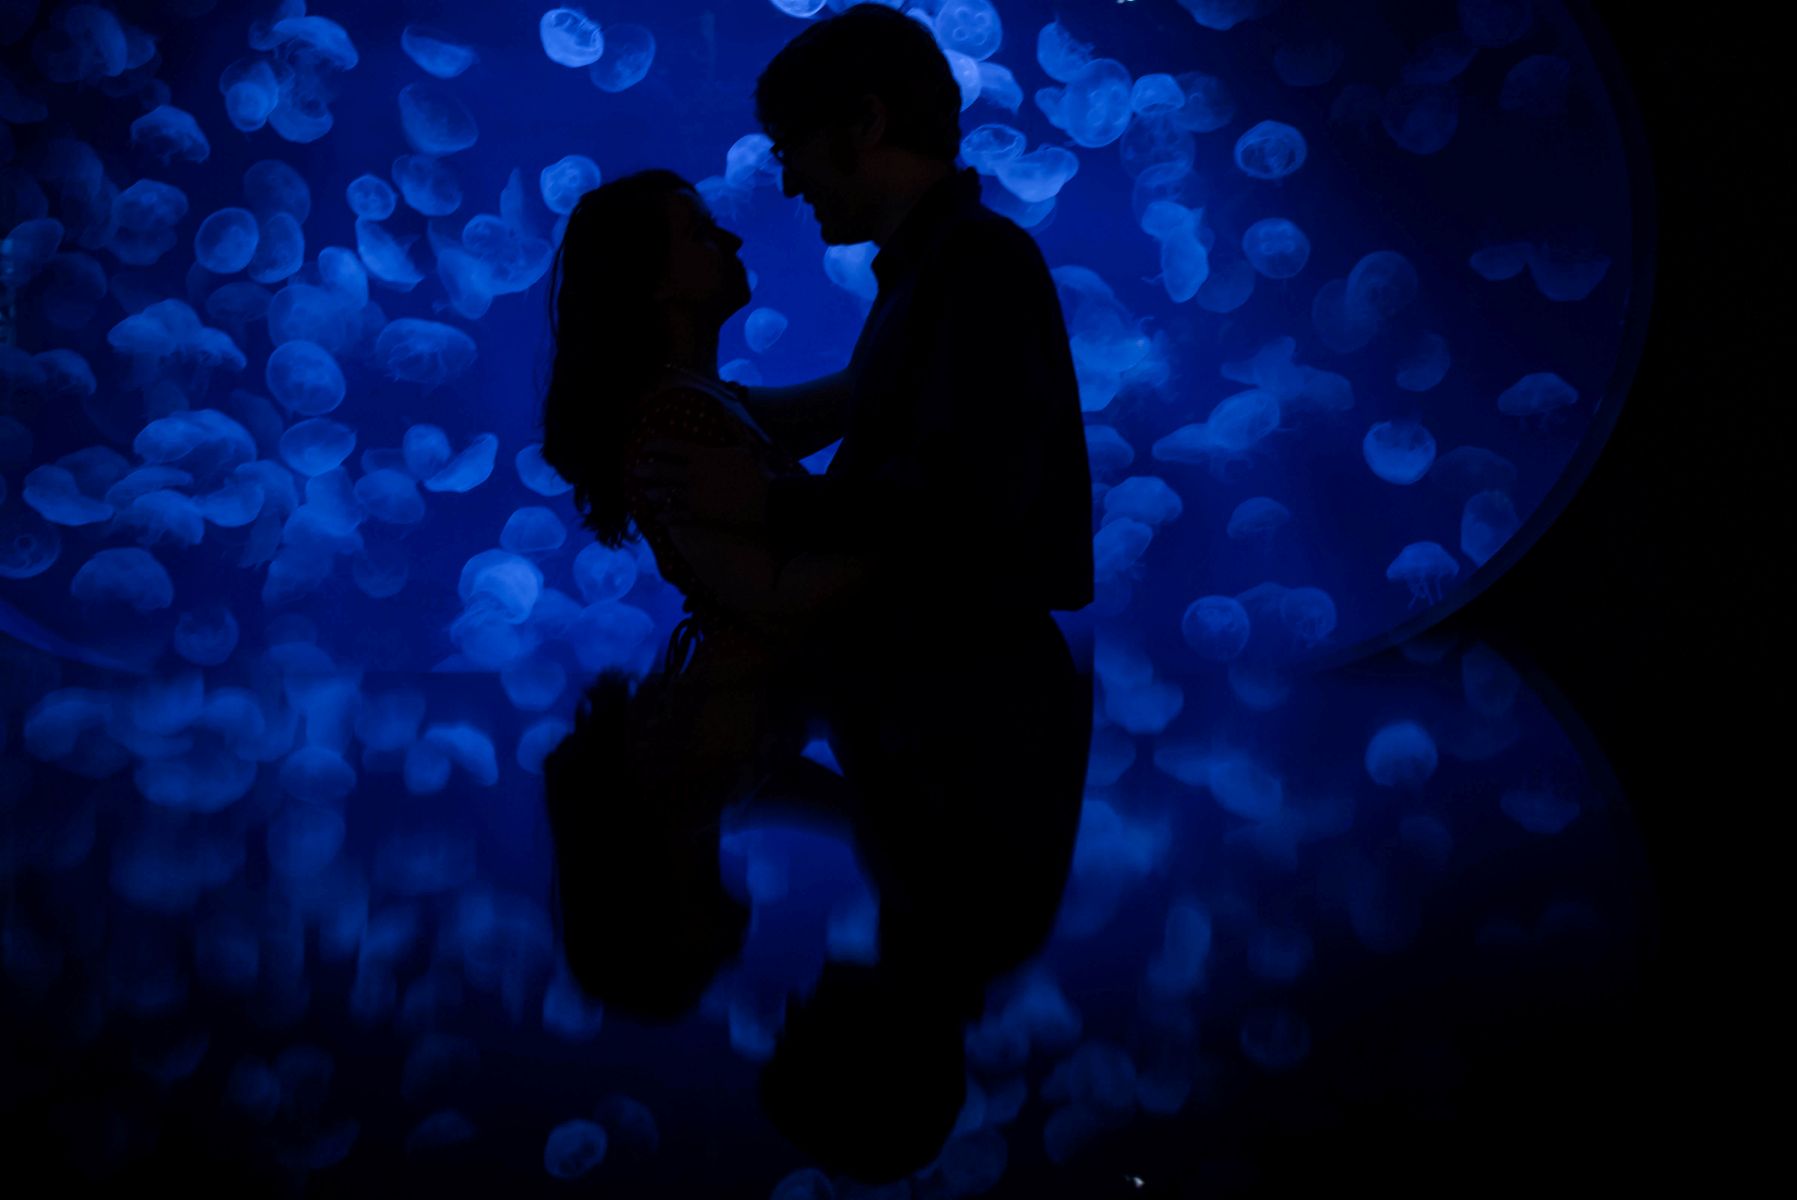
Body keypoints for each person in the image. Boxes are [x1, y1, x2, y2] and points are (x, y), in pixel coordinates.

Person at [633, 4, 1095, 631]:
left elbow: (970, 501)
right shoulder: (930, 267)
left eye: (789, 146)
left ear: (867, 123)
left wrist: (768, 502)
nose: (790, 184)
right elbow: (861, 411)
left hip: (975, 685)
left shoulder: (977, 261)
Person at [538, 169, 870, 682]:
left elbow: (857, 394)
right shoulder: (676, 419)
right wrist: (933, 529)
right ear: (652, 283)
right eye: (700, 232)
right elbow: (776, 601)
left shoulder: (706, 401)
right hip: (754, 712)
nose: (731, 239)